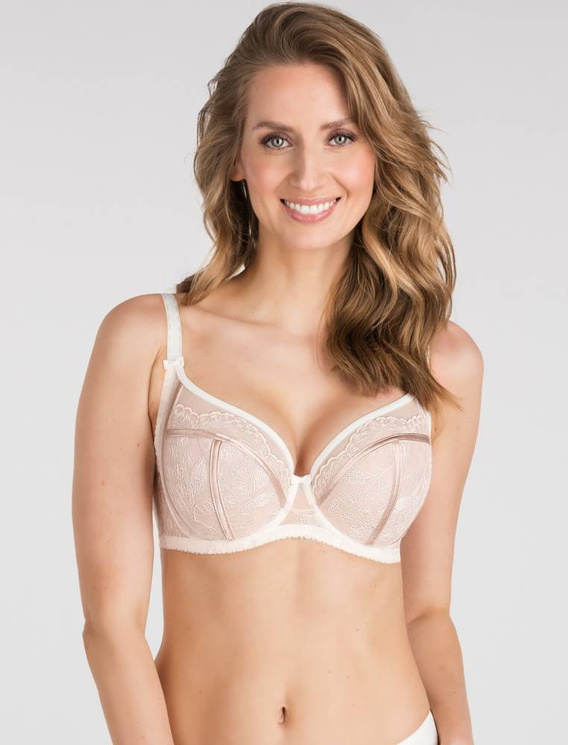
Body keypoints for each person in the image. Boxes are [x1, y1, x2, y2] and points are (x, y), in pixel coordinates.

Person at [72, 3, 482, 744]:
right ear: (236, 156)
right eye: (276, 139)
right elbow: (110, 622)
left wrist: (460, 735)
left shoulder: (440, 361)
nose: (308, 173)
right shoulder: (150, 342)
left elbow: (426, 611)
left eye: (340, 136)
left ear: (378, 151)